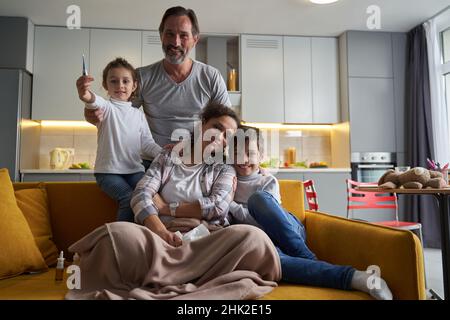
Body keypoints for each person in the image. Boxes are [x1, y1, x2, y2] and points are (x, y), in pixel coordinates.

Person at [227, 127, 394, 300]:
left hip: (288, 231)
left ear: (261, 156)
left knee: (258, 199)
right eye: (237, 153)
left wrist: (230, 204)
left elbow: (266, 221)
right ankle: (358, 278)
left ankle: (307, 256)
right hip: (264, 242)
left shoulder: (267, 180)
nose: (244, 159)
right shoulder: (225, 181)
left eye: (250, 153)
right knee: (274, 261)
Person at [84, 6, 231, 169]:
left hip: (198, 162)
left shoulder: (211, 77)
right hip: (153, 162)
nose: (175, 42)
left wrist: (248, 162)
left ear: (194, 40)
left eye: (183, 35)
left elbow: (227, 123)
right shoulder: (141, 77)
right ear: (161, 36)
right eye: (169, 34)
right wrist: (92, 113)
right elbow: (118, 113)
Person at [131, 103, 238, 247]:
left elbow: (217, 206)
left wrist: (165, 208)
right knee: (118, 232)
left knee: (252, 237)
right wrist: (162, 233)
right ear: (202, 124)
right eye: (216, 127)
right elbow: (141, 194)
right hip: (161, 237)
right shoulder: (168, 157)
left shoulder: (224, 170)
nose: (219, 136)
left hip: (205, 239)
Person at [76, 57, 162, 222]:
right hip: (108, 173)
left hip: (134, 171)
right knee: (128, 198)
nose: (120, 85)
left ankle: (143, 239)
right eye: (114, 81)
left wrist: (164, 153)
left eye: (125, 81)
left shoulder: (138, 115)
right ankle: (122, 240)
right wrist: (83, 92)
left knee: (149, 198)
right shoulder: (106, 108)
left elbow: (147, 144)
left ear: (134, 85)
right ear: (105, 85)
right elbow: (91, 99)